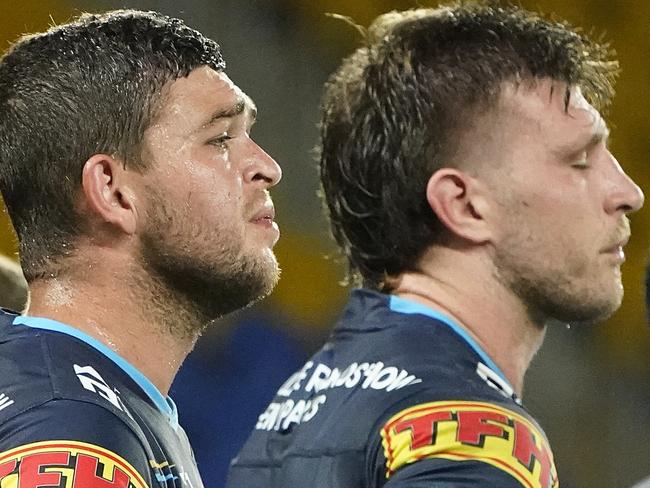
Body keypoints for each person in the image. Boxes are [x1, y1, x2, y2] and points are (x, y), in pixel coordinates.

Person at [228, 3, 643, 488]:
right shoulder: (470, 434)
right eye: (578, 161)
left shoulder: (295, 411)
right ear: (464, 206)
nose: (628, 193)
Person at [0, 9, 281, 488]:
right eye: (219, 139)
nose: (267, 167)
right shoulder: (71, 433)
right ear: (112, 191)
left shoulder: (83, 402)